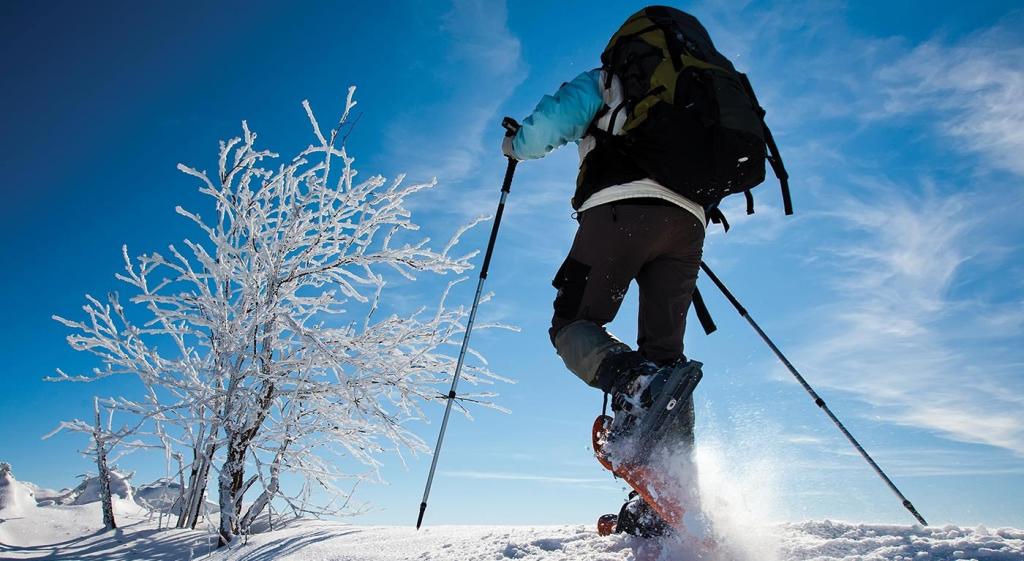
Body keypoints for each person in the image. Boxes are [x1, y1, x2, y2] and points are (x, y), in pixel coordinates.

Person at [500, 21, 707, 539]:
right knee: (668, 364)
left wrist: (514, 145)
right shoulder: (696, 92)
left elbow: (548, 126)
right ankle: (675, 494)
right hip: (689, 222)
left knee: (572, 321)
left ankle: (630, 381)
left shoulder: (610, 81)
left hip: (618, 211)